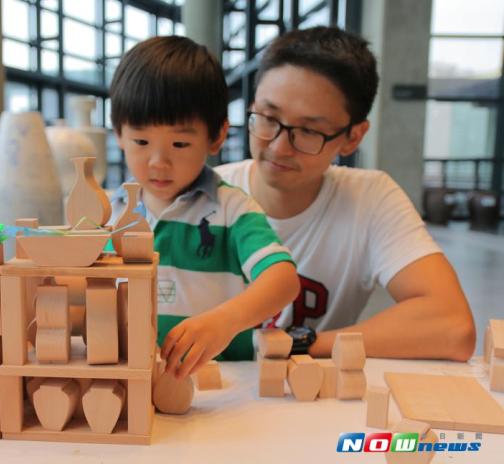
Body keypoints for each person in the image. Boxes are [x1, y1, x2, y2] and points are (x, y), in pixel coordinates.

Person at [215, 26, 475, 361]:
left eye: (308, 130)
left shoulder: (370, 198)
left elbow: (452, 327)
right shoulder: (203, 195)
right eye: (267, 117)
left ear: (352, 137)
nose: (279, 147)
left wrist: (297, 344)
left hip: (308, 399)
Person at [109, 36, 300, 378]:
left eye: (180, 143)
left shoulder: (231, 210)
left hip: (225, 382)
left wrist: (225, 321)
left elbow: (283, 280)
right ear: (118, 134)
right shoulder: (108, 215)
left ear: (216, 137)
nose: (158, 163)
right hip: (132, 378)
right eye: (140, 141)